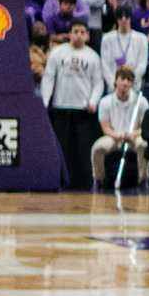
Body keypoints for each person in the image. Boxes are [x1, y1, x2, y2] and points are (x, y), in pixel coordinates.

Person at [40, 20, 107, 188]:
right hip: (61, 108)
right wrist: (45, 101)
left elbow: (98, 83)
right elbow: (48, 77)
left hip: (83, 110)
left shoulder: (93, 56)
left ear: (87, 35)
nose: (78, 35)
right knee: (62, 149)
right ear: (69, 34)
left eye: (82, 32)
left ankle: (83, 183)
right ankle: (60, 180)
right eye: (75, 31)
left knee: (83, 150)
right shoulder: (58, 53)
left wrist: (93, 101)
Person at [92, 64, 148, 190]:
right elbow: (105, 128)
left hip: (134, 136)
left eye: (129, 80)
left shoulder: (142, 102)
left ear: (132, 83)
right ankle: (98, 180)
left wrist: (132, 135)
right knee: (98, 148)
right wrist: (119, 135)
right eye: (122, 79)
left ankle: (143, 180)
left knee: (143, 146)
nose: (125, 83)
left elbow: (145, 128)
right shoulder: (105, 102)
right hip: (113, 136)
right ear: (116, 80)